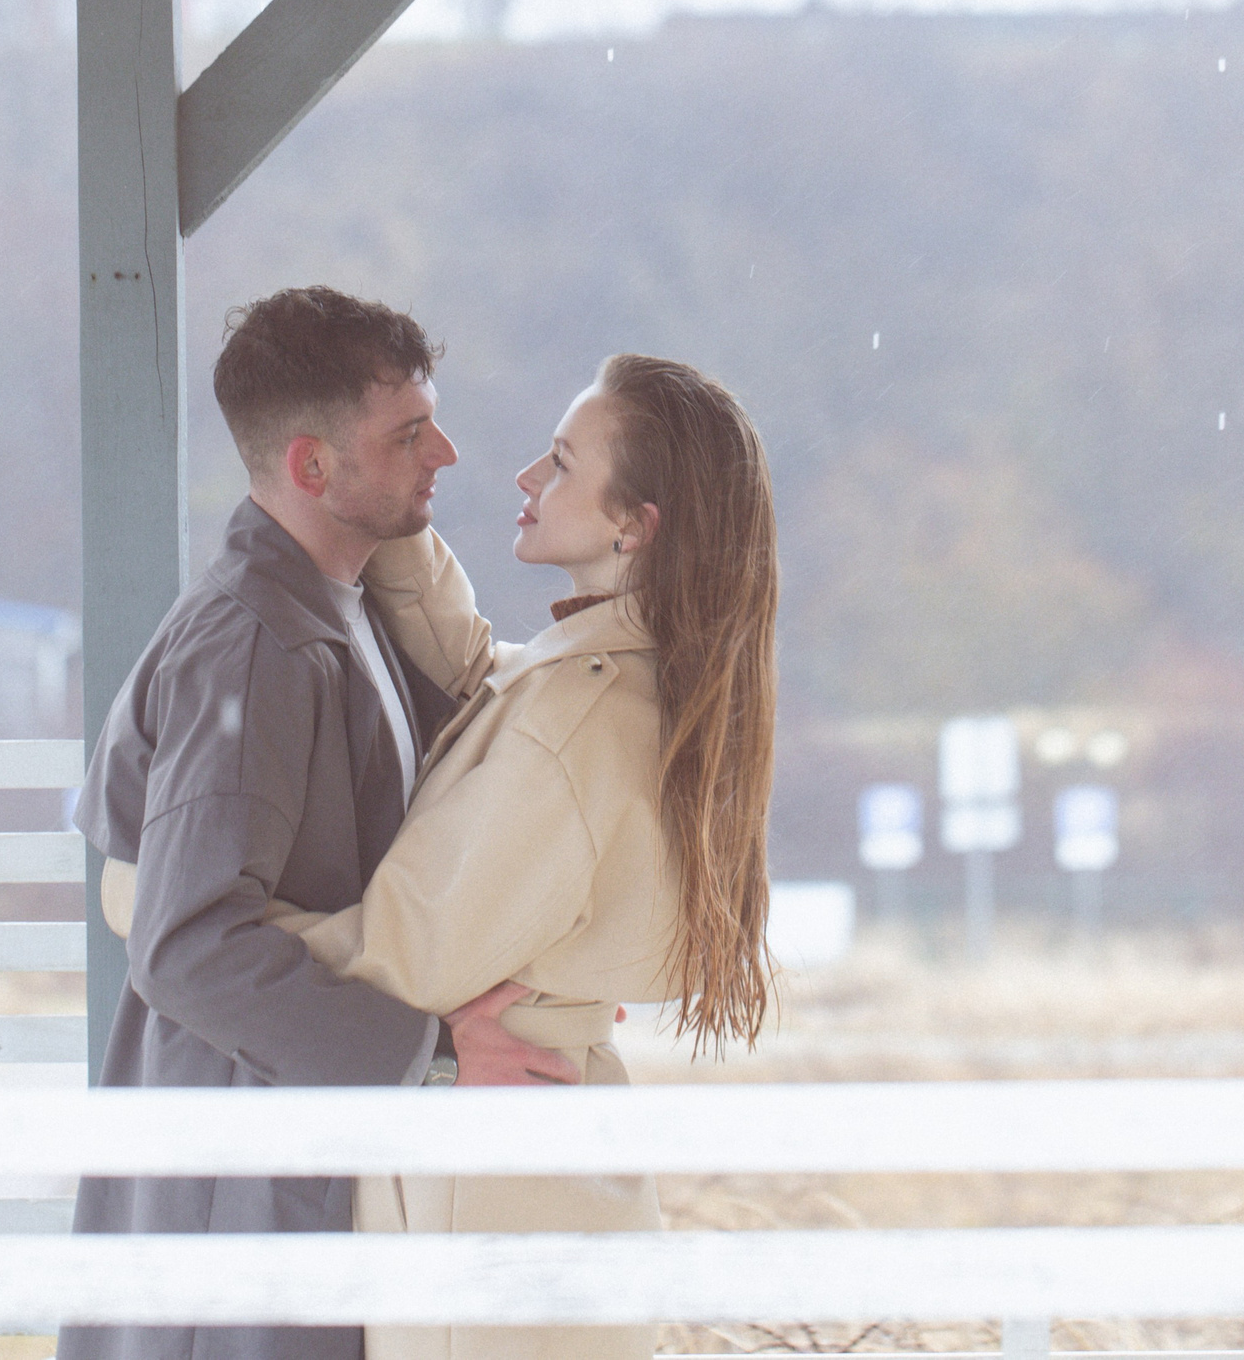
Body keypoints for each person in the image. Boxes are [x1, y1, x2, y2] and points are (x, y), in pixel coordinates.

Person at [63, 286, 569, 1360]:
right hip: (238, 1187)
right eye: (407, 434)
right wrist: (429, 1052)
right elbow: (188, 943)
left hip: (270, 1150)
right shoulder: (257, 648)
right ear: (310, 467)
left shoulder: (329, 605)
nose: (447, 451)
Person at [265, 351, 781, 1360]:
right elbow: (485, 682)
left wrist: (164, 902)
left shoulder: (576, 721)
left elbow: (394, 960)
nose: (523, 481)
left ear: (634, 522)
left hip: (489, 1181)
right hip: (554, 1157)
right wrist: (403, 526)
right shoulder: (630, 680)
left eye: (558, 462)